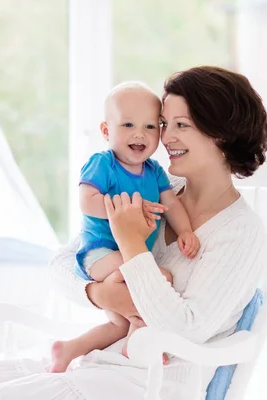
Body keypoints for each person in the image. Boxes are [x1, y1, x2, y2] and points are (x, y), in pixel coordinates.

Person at [0, 65, 267, 400]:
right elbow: (65, 261)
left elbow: (185, 329)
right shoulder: (157, 187)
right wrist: (98, 294)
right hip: (93, 363)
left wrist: (132, 245)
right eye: (163, 123)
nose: (165, 137)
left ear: (220, 135)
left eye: (182, 125)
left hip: (145, 385)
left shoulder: (240, 231)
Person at [51, 81, 200, 373]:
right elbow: (87, 201)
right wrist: (129, 211)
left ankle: (68, 349)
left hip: (129, 260)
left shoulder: (155, 172)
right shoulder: (102, 164)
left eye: (149, 127)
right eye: (128, 124)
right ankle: (138, 343)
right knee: (160, 277)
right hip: (100, 254)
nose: (139, 134)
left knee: (118, 322)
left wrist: (185, 231)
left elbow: (171, 205)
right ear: (106, 131)